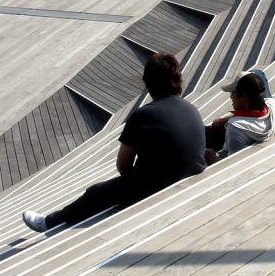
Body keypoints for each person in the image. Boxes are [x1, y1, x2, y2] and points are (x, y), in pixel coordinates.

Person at [22, 53, 206, 232]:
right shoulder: (191, 109)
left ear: (147, 83)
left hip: (160, 184)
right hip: (193, 175)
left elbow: (123, 165)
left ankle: (48, 222)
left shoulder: (143, 115)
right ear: (178, 80)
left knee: (95, 192)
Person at [204, 70, 275, 162]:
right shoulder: (274, 107)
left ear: (244, 96)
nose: (231, 97)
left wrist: (211, 158)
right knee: (257, 73)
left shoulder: (235, 129)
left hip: (234, 140)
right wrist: (228, 119)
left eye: (233, 92)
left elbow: (234, 164)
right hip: (249, 132)